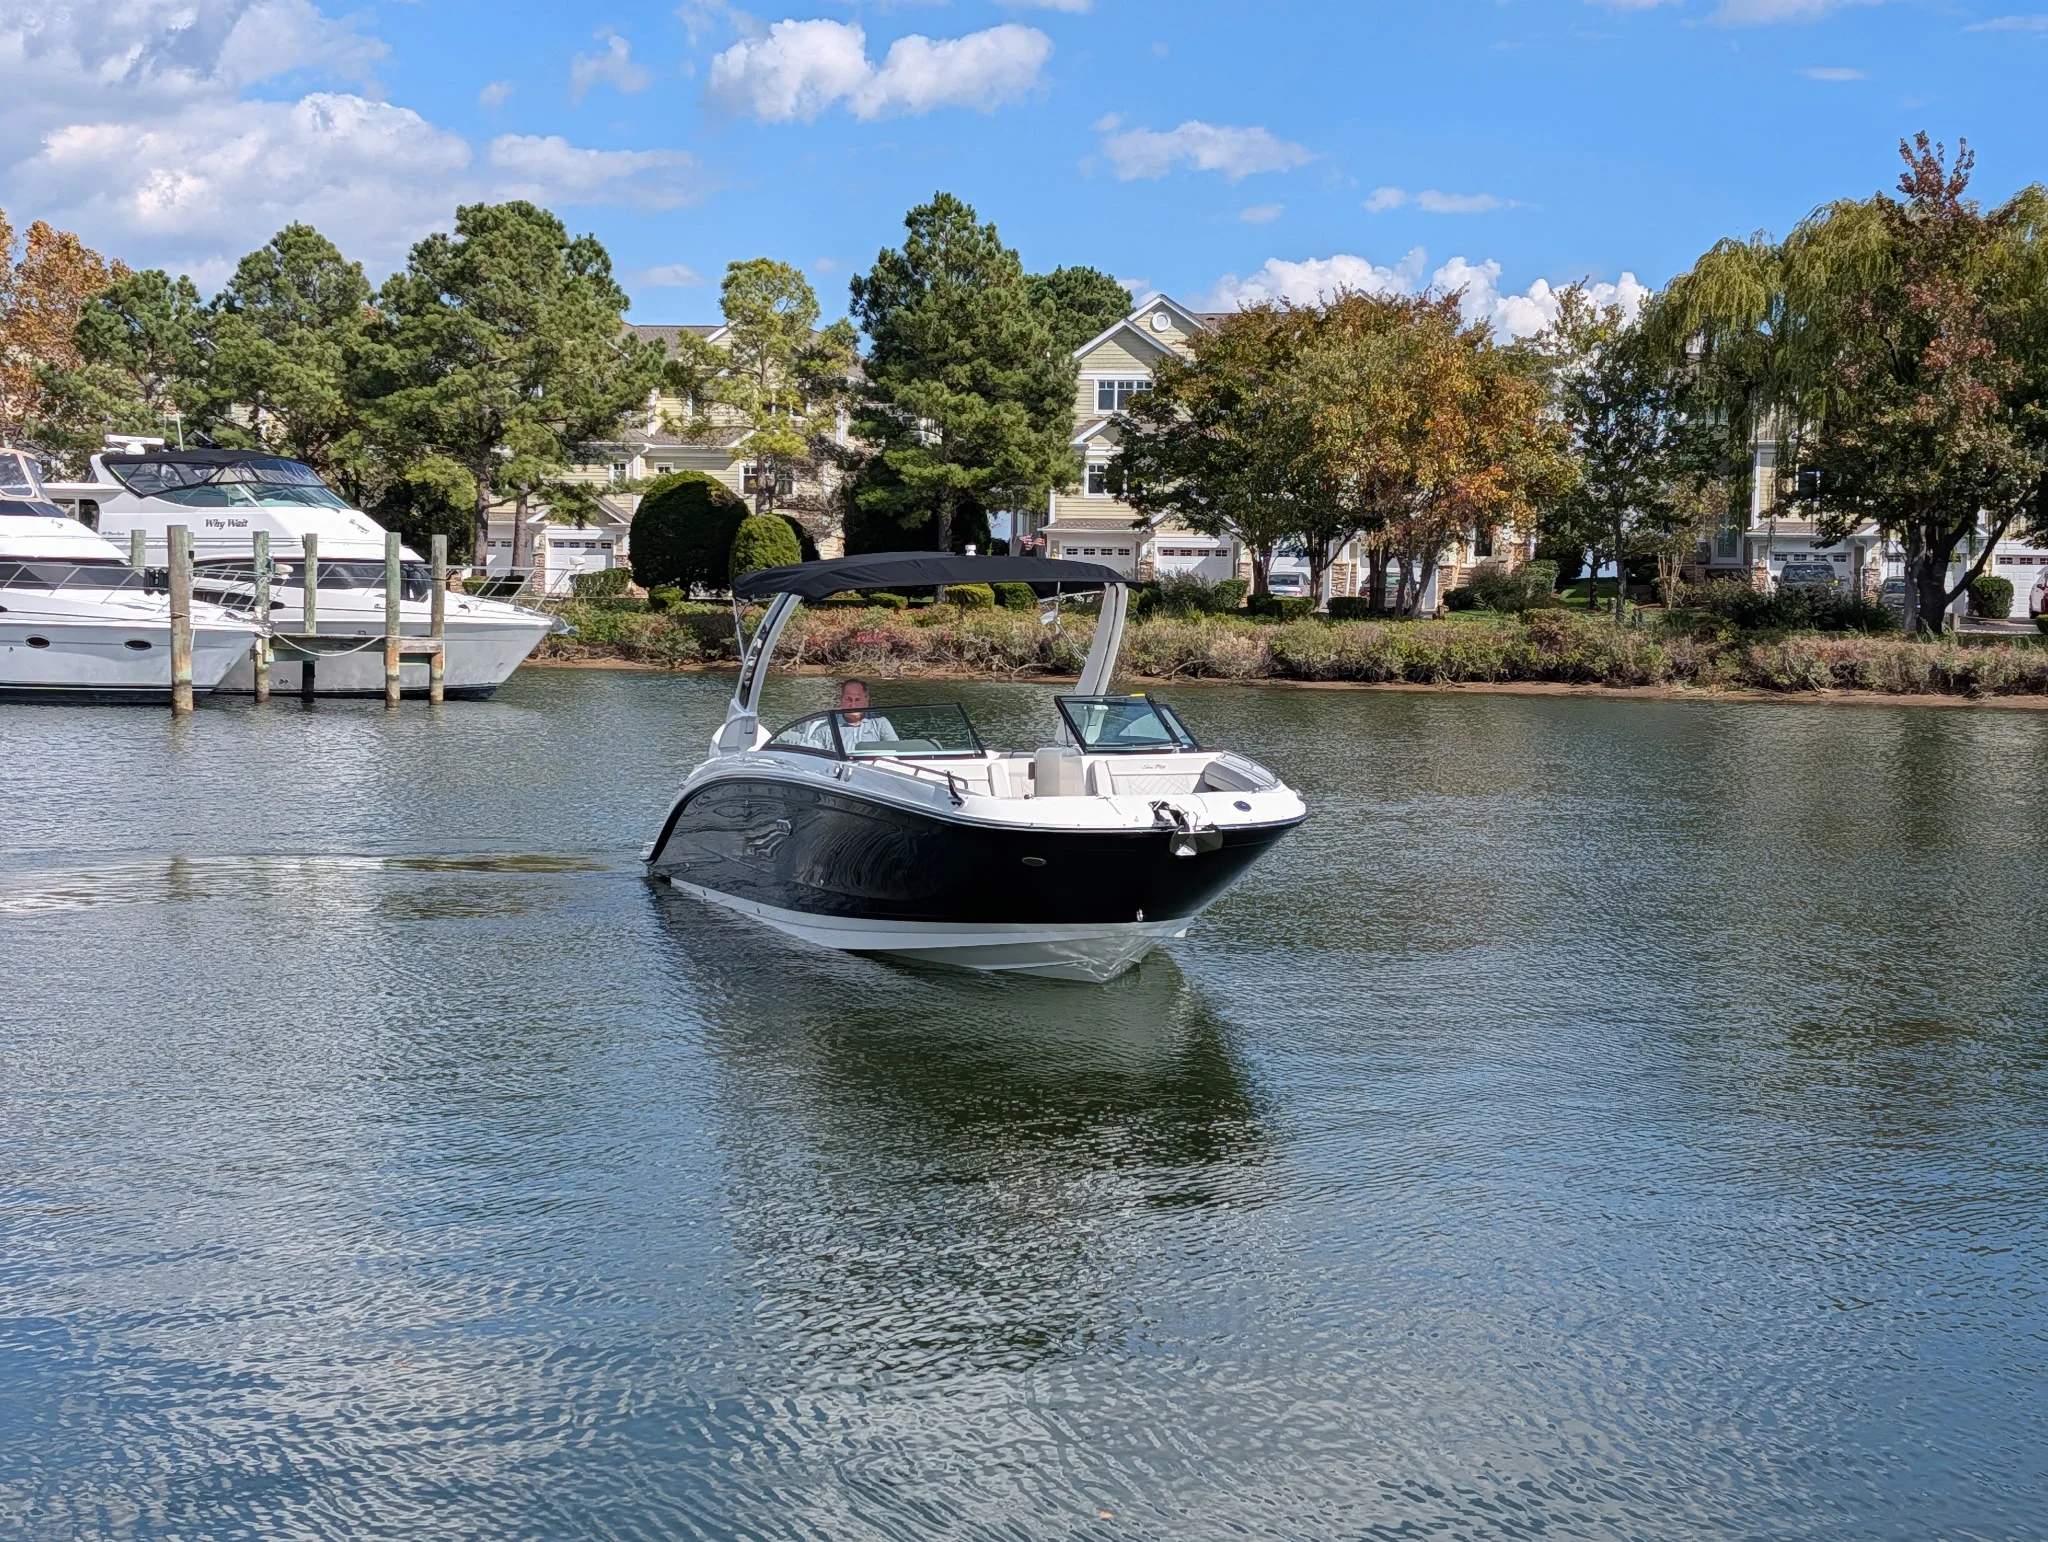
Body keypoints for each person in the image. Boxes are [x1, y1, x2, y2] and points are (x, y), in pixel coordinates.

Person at [809, 678, 897, 751]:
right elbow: (811, 757)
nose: (853, 705)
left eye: (858, 699)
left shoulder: (881, 724)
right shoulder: (826, 727)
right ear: (841, 700)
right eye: (848, 699)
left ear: (866, 700)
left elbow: (896, 752)